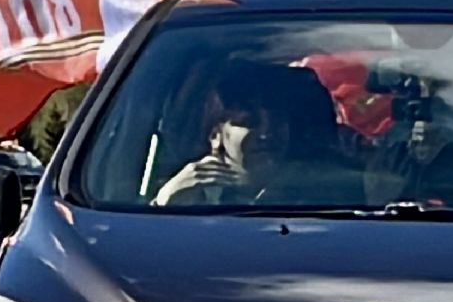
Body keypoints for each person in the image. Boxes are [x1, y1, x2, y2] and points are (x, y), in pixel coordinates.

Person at [150, 64, 353, 207]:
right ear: (215, 135)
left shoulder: (326, 193)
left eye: (277, 122)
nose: (266, 134)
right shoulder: (190, 197)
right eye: (250, 123)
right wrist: (165, 203)